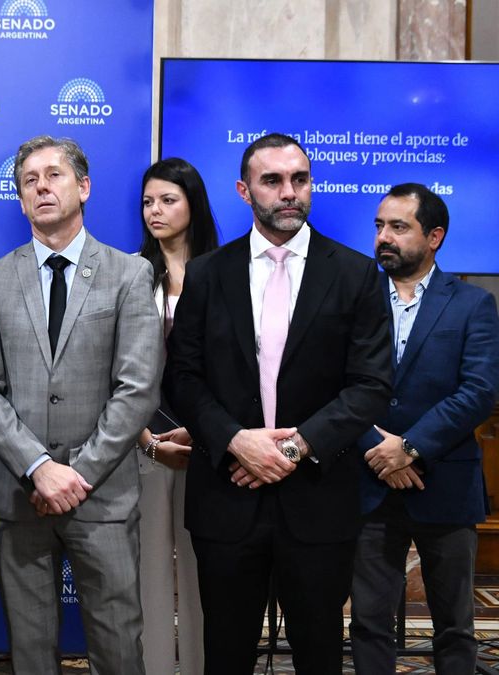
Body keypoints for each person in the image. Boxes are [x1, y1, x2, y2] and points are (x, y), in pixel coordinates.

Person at [164, 133, 392, 674]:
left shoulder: (355, 273)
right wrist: (237, 441)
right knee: (226, 653)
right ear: (245, 191)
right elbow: (183, 377)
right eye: (273, 181)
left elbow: (371, 385)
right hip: (226, 497)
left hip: (317, 498)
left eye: (300, 179)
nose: (290, 192)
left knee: (318, 656)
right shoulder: (207, 273)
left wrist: (293, 448)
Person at [0, 135, 162, 674]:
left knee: (119, 650)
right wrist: (38, 469)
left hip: (102, 496)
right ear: (21, 200)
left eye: (54, 175)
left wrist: (76, 475)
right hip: (16, 495)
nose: (42, 187)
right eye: (29, 180)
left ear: (84, 187)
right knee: (29, 656)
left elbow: (137, 387)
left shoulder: (129, 274)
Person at [349, 184, 499, 674]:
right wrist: (380, 450)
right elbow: (334, 383)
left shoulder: (472, 305)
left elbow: (478, 391)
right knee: (368, 622)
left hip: (445, 483)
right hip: (370, 481)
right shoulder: (354, 296)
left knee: (454, 625)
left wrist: (410, 448)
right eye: (379, 227)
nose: (383, 238)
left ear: (434, 236)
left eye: (398, 227)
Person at [135, 157, 219, 675]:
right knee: (145, 573)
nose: (155, 211)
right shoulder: (130, 274)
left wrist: (210, 432)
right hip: (140, 440)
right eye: (148, 201)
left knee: (203, 575)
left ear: (193, 204)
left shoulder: (230, 270)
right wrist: (145, 438)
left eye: (168, 200)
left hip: (211, 445)